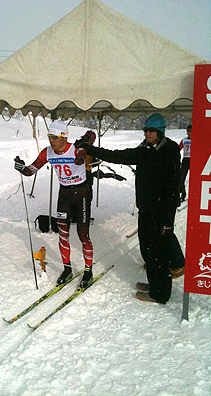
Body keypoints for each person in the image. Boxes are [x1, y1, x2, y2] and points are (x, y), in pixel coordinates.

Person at [75, 113, 181, 304]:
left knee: (159, 254)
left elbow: (173, 188)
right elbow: (118, 156)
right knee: (148, 250)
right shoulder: (144, 149)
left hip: (161, 211)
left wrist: (168, 221)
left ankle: (160, 294)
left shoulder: (170, 151)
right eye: (145, 130)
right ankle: (154, 283)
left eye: (151, 131)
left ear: (160, 132)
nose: (147, 134)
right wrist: (91, 149)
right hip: (146, 209)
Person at [14, 120, 94, 290]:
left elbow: (91, 137)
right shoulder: (47, 152)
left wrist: (84, 150)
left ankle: (88, 271)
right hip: (64, 195)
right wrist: (21, 168)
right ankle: (67, 269)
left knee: (83, 234)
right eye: (49, 136)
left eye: (55, 137)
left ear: (64, 137)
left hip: (81, 194)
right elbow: (31, 171)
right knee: (62, 233)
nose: (51, 140)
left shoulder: (76, 149)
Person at [179, 124, 192, 202]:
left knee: (194, 179)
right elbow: (178, 149)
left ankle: (194, 193)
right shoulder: (184, 140)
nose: (189, 133)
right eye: (188, 131)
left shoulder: (197, 139)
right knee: (181, 179)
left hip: (193, 161)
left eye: (191, 131)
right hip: (185, 160)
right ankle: (183, 194)